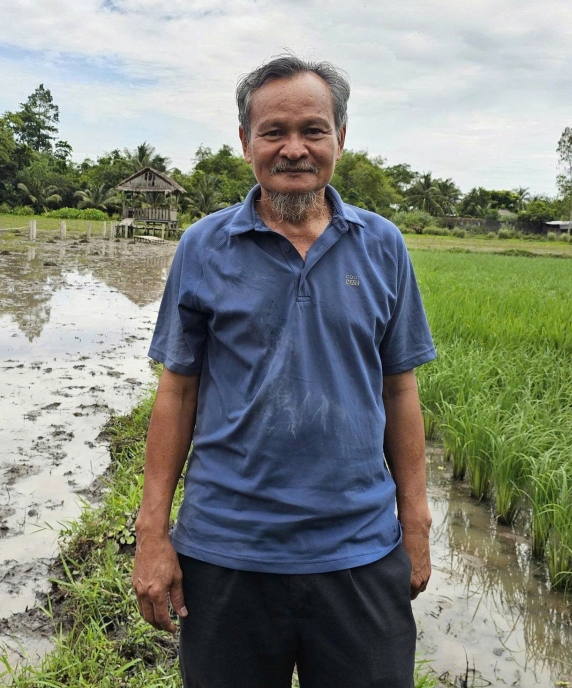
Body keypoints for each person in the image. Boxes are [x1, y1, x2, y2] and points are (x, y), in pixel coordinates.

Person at [132, 54, 437, 688]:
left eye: (313, 130)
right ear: (246, 142)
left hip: (359, 550)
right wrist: (152, 531)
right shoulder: (203, 246)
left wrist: (416, 519)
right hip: (227, 553)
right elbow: (177, 391)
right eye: (274, 132)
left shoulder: (383, 246)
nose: (293, 149)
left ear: (340, 140)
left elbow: (399, 388)